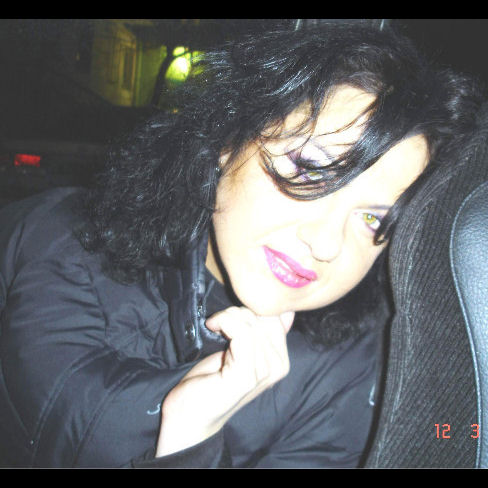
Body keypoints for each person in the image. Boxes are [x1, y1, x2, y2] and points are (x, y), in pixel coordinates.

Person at [0, 22, 481, 468]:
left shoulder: (351, 377)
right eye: (310, 169)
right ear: (229, 139)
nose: (325, 243)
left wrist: (190, 443)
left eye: (373, 217)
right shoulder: (61, 238)